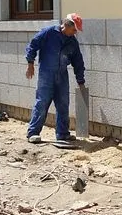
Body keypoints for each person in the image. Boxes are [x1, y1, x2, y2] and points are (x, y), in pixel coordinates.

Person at [24, 13, 86, 143]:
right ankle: (33, 133)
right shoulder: (48, 33)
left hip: (62, 75)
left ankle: (62, 133)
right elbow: (33, 44)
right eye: (74, 30)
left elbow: (78, 62)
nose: (75, 33)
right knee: (42, 103)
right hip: (46, 74)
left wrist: (80, 81)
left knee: (63, 104)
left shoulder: (72, 42)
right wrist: (30, 63)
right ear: (66, 25)